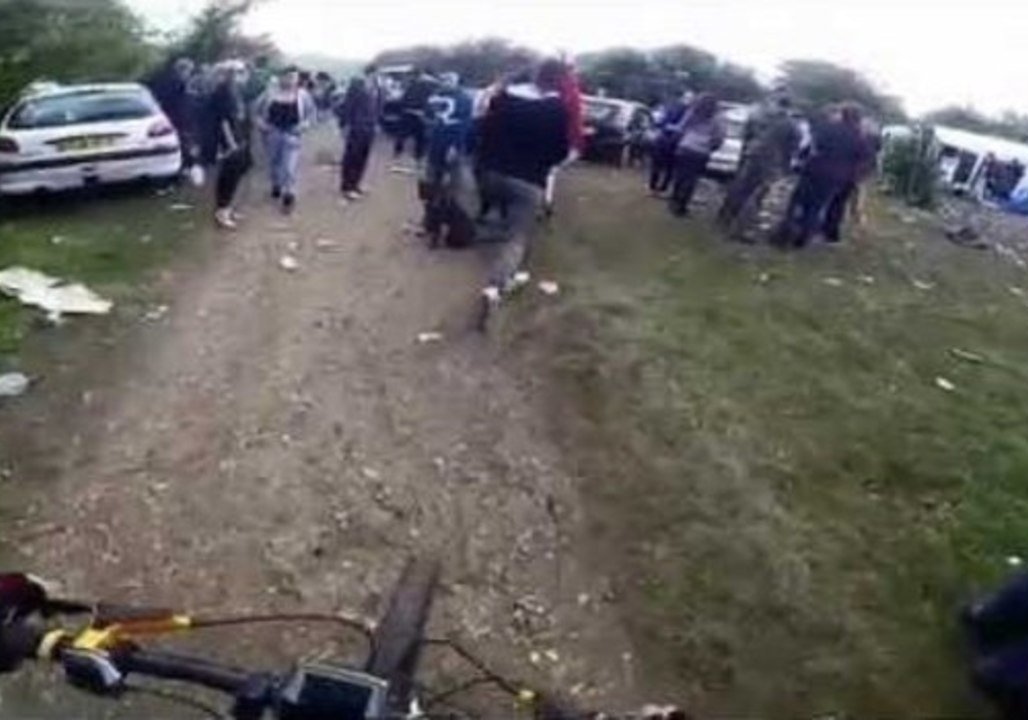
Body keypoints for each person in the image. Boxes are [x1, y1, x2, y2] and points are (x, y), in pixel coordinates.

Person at [475, 59, 570, 326]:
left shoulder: (505, 98)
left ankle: (485, 231)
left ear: (535, 74)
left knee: (505, 214)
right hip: (527, 180)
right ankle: (494, 288)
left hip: (490, 174)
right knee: (517, 237)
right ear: (559, 80)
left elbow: (484, 130)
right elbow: (559, 152)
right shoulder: (556, 109)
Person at [772, 103, 873, 248]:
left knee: (798, 201)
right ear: (858, 118)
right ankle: (802, 238)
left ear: (843, 114)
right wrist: (853, 176)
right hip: (835, 177)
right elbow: (865, 159)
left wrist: (800, 161)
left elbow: (810, 146)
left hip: (812, 169)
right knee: (816, 206)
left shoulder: (826, 128)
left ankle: (783, 233)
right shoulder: (859, 137)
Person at [716, 93, 800, 241]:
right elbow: (792, 148)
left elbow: (746, 134)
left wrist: (747, 149)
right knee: (757, 196)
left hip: (753, 156)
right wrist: (784, 168)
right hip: (770, 162)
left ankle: (725, 220)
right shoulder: (790, 125)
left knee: (740, 190)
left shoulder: (760, 116)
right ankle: (742, 230)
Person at [255, 66, 316, 213]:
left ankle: (289, 195)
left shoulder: (302, 95)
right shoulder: (269, 93)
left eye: (294, 77)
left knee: (289, 167)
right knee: (274, 163)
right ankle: (276, 184)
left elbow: (311, 114)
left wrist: (304, 125)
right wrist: (261, 124)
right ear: (281, 77)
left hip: (292, 135)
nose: (291, 80)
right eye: (288, 77)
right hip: (273, 134)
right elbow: (256, 111)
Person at [421, 71, 474, 240]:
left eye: (450, 80)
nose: (446, 82)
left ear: (456, 82)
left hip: (452, 149)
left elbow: (464, 126)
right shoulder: (434, 97)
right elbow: (427, 118)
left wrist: (455, 147)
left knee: (450, 190)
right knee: (430, 188)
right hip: (434, 148)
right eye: (444, 79)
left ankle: (449, 225)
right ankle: (430, 224)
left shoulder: (464, 99)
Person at [205, 61, 252, 230]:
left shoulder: (236, 91)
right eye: (239, 72)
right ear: (230, 74)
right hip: (228, 141)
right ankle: (222, 211)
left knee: (238, 171)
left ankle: (227, 207)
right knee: (229, 176)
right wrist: (231, 144)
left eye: (242, 71)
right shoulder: (223, 92)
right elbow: (223, 121)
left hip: (239, 138)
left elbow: (240, 116)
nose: (243, 75)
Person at [668, 93, 725, 217]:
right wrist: (712, 147)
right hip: (701, 151)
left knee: (680, 176)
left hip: (685, 146)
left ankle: (673, 201)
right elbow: (719, 136)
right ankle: (681, 206)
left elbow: (680, 128)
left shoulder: (692, 113)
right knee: (691, 179)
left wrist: (679, 140)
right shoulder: (717, 118)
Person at [543, 60, 585, 215]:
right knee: (550, 170)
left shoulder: (561, 88)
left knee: (548, 170)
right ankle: (545, 201)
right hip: (567, 137)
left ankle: (545, 200)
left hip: (561, 136)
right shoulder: (571, 88)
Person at [337, 65, 380, 200]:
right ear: (369, 73)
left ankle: (356, 184)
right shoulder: (356, 85)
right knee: (352, 157)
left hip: (370, 127)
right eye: (375, 73)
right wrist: (345, 124)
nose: (376, 76)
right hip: (356, 126)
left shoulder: (377, 87)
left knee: (363, 157)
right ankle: (346, 186)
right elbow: (348, 105)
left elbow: (378, 107)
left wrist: (376, 124)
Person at [147, 57, 196, 169]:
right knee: (181, 141)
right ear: (183, 70)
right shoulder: (178, 83)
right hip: (177, 117)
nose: (189, 74)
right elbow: (180, 101)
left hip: (170, 116)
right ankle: (184, 164)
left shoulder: (169, 81)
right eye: (189, 71)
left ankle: (183, 163)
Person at [649, 90, 691, 195]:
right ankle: (656, 187)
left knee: (667, 167)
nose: (688, 101)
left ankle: (659, 188)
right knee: (664, 166)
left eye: (690, 98)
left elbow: (661, 123)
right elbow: (661, 122)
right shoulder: (678, 110)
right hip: (668, 140)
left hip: (672, 141)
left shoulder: (686, 111)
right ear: (681, 98)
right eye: (687, 98)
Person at [393, 68, 438, 163]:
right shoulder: (431, 86)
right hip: (419, 114)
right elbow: (431, 102)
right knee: (419, 137)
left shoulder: (412, 85)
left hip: (410, 113)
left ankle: (398, 153)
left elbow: (403, 100)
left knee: (404, 135)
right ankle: (417, 156)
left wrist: (405, 108)